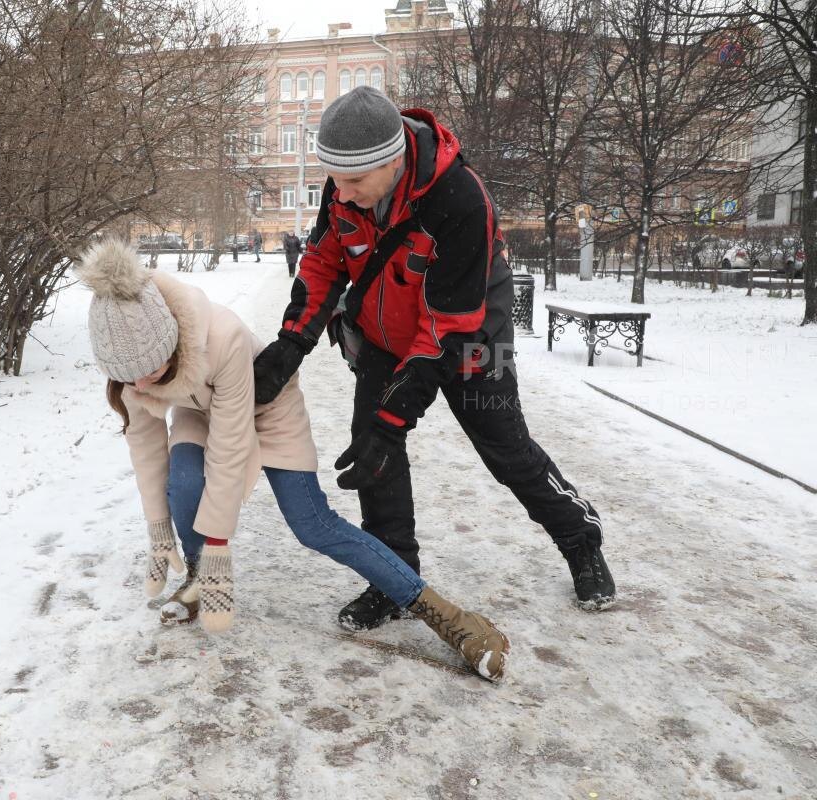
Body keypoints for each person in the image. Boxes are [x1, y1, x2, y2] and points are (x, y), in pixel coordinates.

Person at [253, 87, 616, 633]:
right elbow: (323, 264)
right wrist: (290, 345)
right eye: (336, 179)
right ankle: (393, 577)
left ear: (393, 160)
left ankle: (581, 540)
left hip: (470, 337)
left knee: (507, 453)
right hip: (382, 336)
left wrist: (393, 419)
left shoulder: (459, 198)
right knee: (373, 460)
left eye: (353, 181)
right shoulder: (344, 187)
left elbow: (445, 329)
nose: (341, 194)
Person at [78, 238, 510, 680]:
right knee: (185, 482)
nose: (141, 382)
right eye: (129, 377)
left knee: (314, 526)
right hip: (201, 410)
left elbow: (230, 449)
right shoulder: (129, 363)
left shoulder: (219, 336)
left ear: (168, 338)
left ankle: (449, 617)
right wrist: (158, 527)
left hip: (268, 407)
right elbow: (146, 447)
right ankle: (195, 578)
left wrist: (220, 546)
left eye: (149, 370)